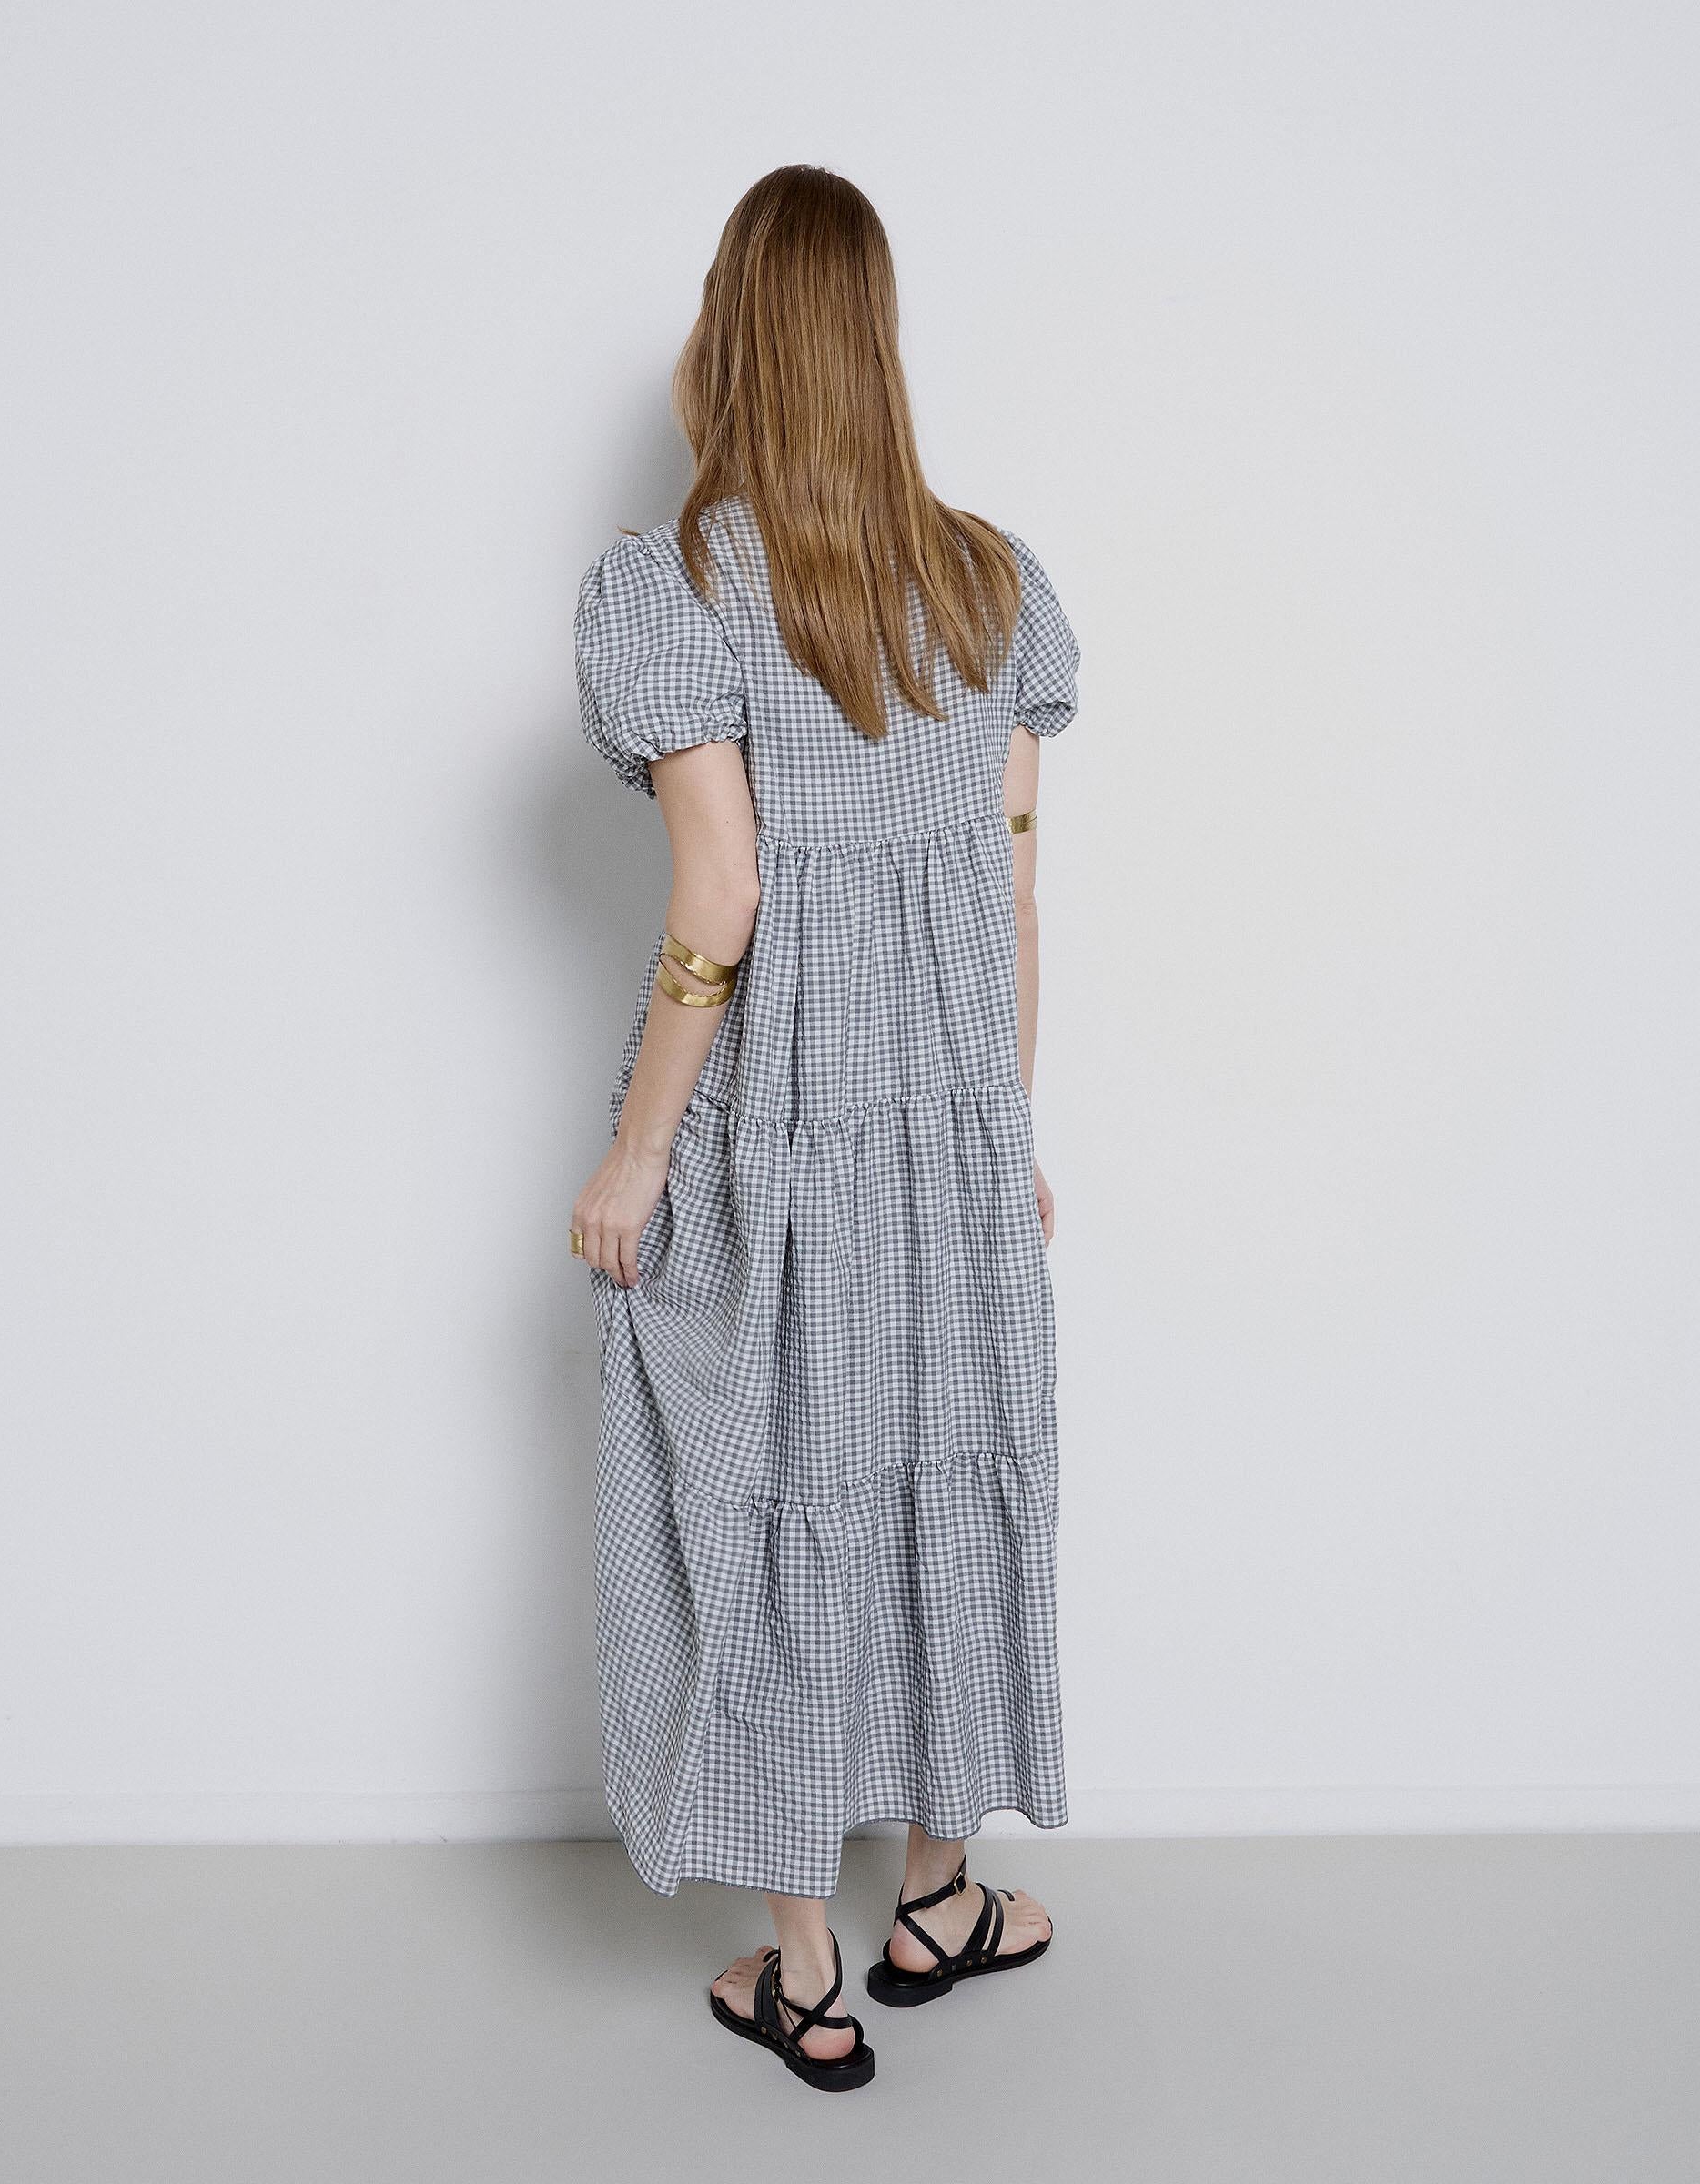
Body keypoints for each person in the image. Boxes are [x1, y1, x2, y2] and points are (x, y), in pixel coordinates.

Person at [568, 165, 1079, 2093]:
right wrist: (1003, 1133)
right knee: (940, 1475)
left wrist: (638, 1156)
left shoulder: (672, 588)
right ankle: (937, 1897)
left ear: (733, 335)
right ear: (875, 342)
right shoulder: (993, 582)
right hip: (949, 1134)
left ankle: (808, 1969)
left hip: (778, 1132)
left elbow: (723, 896)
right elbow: (1011, 891)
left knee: (768, 1490)